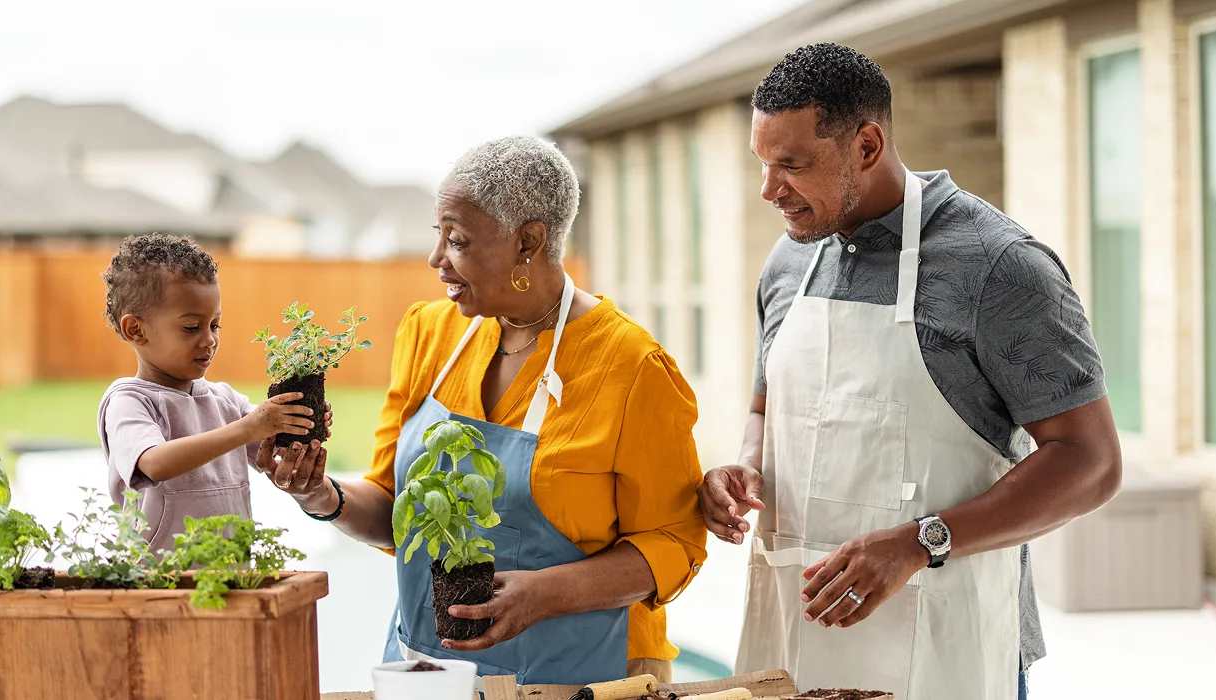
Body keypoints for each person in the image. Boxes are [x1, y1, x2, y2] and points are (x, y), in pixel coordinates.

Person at [697, 44, 1122, 700]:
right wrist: (746, 467)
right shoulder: (789, 260)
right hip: (797, 645)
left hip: (952, 645)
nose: (768, 189)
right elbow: (764, 408)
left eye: (792, 164)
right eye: (762, 162)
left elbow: (1091, 463)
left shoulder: (1000, 267)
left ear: (867, 145)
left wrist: (921, 542)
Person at [256, 136, 707, 684]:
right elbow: (394, 512)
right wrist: (318, 495)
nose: (435, 259)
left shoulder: (632, 367)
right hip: (430, 674)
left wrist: (544, 594)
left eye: (458, 239)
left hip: (588, 679)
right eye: (438, 235)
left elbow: (674, 542)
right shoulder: (430, 333)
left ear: (528, 243)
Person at [97, 232, 331, 552]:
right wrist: (249, 427)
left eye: (215, 325)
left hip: (230, 576)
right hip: (160, 582)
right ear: (136, 330)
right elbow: (153, 463)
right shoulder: (130, 401)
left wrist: (298, 424)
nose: (209, 340)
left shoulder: (224, 401)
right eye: (192, 327)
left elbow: (271, 446)